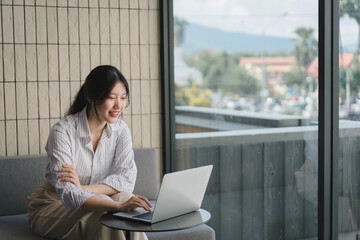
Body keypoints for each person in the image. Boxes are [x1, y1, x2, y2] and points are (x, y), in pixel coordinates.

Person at [26, 65, 152, 240]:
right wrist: (115, 206)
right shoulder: (62, 131)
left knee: (127, 199)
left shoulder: (121, 130)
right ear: (92, 97)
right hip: (53, 205)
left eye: (123, 98)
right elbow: (69, 194)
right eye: (111, 97)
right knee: (106, 217)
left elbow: (127, 179)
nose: (119, 105)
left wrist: (83, 187)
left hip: (94, 197)